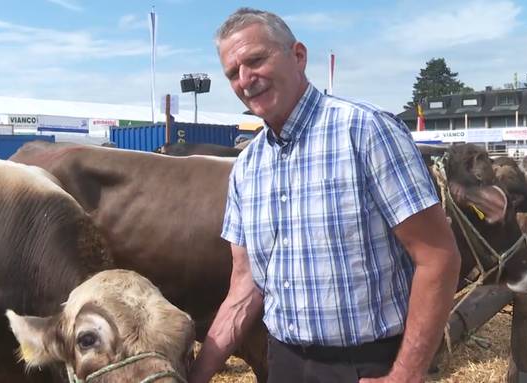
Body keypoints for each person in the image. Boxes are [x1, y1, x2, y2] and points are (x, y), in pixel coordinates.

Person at [189, 8, 461, 383]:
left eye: (255, 60)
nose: (245, 79)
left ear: (298, 56)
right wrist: (196, 374)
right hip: (283, 364)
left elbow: (438, 256)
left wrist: (405, 374)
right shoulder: (247, 166)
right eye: (233, 73)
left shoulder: (366, 132)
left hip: (366, 364)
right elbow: (245, 283)